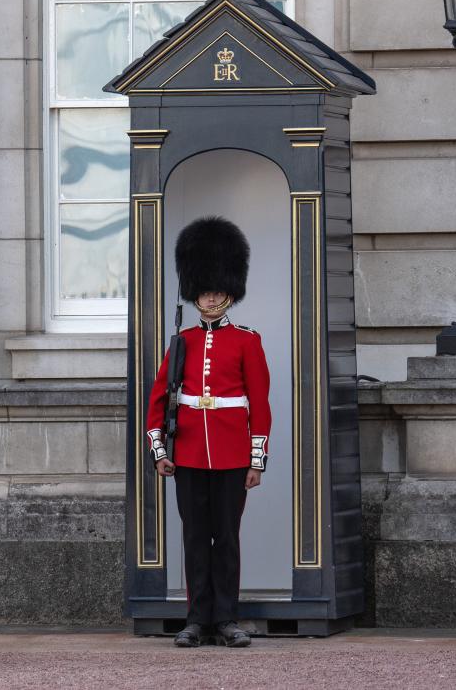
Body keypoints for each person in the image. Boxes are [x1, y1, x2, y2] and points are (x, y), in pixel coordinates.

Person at [146, 217, 271, 649]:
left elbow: (260, 403)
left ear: (230, 292)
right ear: (195, 293)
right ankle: (197, 618)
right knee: (195, 538)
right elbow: (159, 400)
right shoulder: (180, 341)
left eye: (218, 290)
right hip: (189, 455)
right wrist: (160, 450)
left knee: (227, 539)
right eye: (205, 289)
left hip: (233, 454)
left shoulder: (247, 342)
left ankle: (227, 619)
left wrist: (257, 460)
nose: (212, 296)